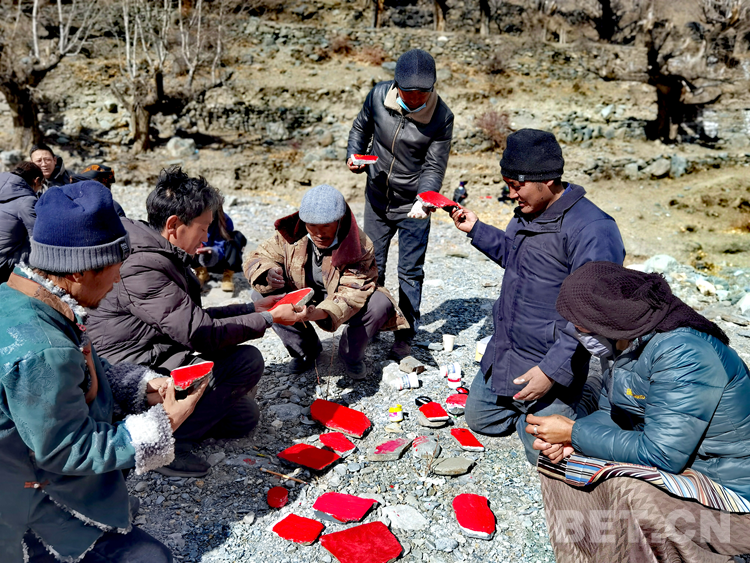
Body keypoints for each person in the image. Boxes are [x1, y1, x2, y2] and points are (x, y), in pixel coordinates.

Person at [0, 181, 205, 563]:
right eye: (115, 268)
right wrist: (162, 426)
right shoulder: (43, 349)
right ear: (79, 272)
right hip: (21, 502)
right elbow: (67, 449)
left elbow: (78, 369)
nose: (118, 280)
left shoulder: (23, 297)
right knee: (151, 559)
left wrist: (139, 386)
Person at [88, 167, 305, 477]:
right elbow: (200, 333)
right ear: (174, 225)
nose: (205, 237)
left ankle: (177, 421)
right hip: (132, 375)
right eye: (203, 228)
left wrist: (253, 307)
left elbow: (189, 317)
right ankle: (163, 443)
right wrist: (269, 318)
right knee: (246, 362)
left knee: (243, 417)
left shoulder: (158, 249)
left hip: (159, 352)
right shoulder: (142, 267)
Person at [526, 261, 750, 562]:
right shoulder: (622, 342)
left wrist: (573, 432)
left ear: (604, 318)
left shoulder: (683, 352)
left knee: (630, 491)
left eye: (580, 325)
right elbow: (612, 414)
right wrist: (570, 441)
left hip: (733, 495)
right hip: (686, 466)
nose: (575, 331)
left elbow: (662, 455)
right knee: (562, 464)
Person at [448, 129, 626, 465]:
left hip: (550, 359)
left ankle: (586, 397)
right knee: (480, 419)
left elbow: (592, 312)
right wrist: (477, 229)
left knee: (543, 457)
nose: (510, 193)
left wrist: (550, 371)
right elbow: (516, 258)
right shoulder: (528, 211)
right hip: (509, 349)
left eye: (516, 185)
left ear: (547, 179)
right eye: (507, 184)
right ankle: (530, 412)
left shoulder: (593, 229)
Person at [346, 48, 454, 359]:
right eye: (409, 92)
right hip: (377, 197)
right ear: (396, 85)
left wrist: (425, 197)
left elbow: (434, 165)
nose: (416, 98)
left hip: (414, 205)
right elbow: (360, 128)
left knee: (410, 271)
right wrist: (353, 155)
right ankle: (368, 324)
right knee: (371, 264)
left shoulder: (442, 117)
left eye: (423, 93)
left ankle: (404, 335)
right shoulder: (378, 96)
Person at [245, 184, 408, 379]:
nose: (319, 233)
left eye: (326, 226)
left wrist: (317, 313)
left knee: (379, 303)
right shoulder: (290, 233)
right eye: (312, 226)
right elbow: (258, 256)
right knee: (260, 294)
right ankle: (305, 350)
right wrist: (268, 272)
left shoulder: (360, 245)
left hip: (341, 299)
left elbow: (352, 292)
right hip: (303, 293)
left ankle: (351, 355)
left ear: (339, 221)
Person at [0, 161, 44, 283]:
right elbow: (38, 237)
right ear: (36, 181)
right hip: (3, 264)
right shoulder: (26, 201)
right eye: (41, 184)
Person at [193, 203, 247, 293]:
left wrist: (212, 251)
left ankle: (228, 275)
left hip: (221, 261)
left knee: (237, 236)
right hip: (201, 261)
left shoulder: (224, 220)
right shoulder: (193, 219)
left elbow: (222, 244)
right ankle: (202, 272)